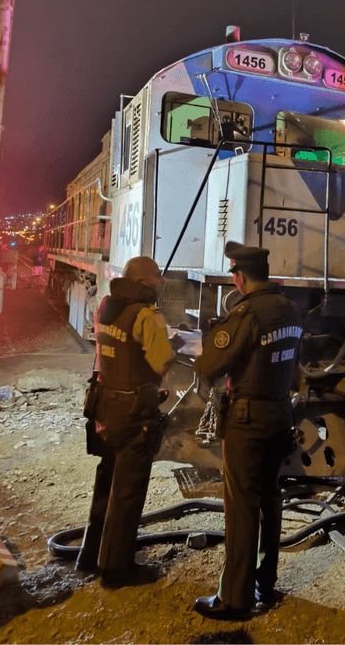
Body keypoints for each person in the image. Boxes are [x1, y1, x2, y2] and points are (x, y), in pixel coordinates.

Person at [191, 241, 303, 619]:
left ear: (239, 277)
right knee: (270, 500)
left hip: (247, 421)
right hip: (279, 417)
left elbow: (208, 366)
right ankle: (264, 585)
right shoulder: (290, 309)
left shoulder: (246, 313)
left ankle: (235, 598)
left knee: (241, 507)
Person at [75, 256, 177, 588]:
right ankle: (117, 569)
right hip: (134, 412)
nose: (160, 287)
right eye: (157, 282)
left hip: (105, 407)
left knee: (106, 482)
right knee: (128, 491)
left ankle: (90, 555)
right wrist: (167, 340)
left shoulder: (105, 306)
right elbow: (161, 363)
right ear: (147, 284)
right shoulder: (146, 316)